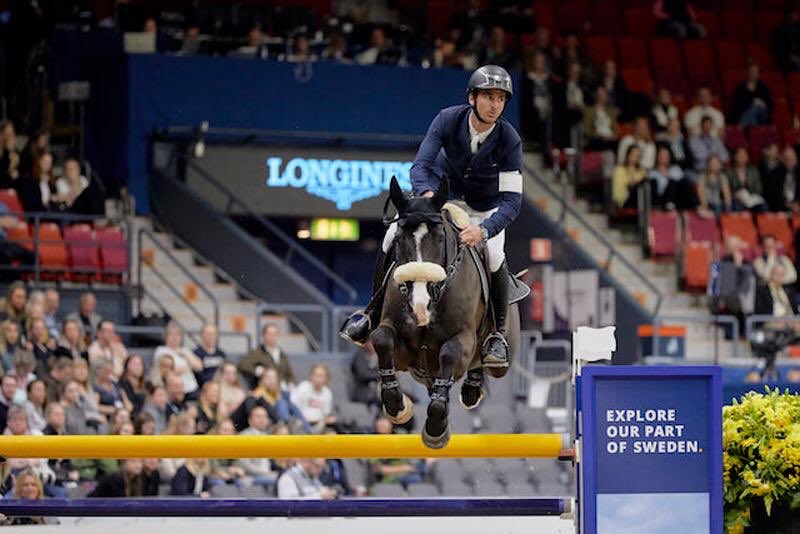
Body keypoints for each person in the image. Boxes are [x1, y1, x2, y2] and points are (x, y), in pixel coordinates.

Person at [340, 65, 523, 368]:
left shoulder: (509, 139)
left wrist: (485, 230)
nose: (494, 105)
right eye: (488, 96)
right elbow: (420, 167)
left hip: (485, 208)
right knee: (390, 236)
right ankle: (370, 314)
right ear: (472, 98)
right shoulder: (447, 120)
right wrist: (426, 195)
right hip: (441, 200)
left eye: (501, 99)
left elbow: (512, 203)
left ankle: (497, 336)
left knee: (493, 253)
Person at [238, 323, 296, 389]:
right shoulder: (258, 352)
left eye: (275, 334)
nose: (272, 337)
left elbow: (289, 373)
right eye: (270, 334)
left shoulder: (282, 354)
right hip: (266, 389)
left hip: (283, 388)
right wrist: (259, 370)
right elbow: (243, 365)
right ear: (264, 336)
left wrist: (291, 383)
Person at [153, 322, 202, 396]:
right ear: (166, 337)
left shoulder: (185, 350)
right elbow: (169, 370)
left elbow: (199, 367)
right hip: (175, 390)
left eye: (177, 335)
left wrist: (185, 354)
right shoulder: (161, 350)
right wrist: (190, 367)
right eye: (171, 335)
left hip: (192, 388)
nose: (174, 338)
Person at [234, 406, 278, 489]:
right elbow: (244, 464)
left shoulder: (267, 436)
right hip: (249, 477)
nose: (262, 420)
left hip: (266, 475)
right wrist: (265, 473)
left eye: (264, 417)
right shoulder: (244, 436)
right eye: (258, 417)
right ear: (250, 420)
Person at [253, 368, 307, 433]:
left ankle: (307, 428)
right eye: (268, 378)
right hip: (270, 422)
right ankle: (287, 424)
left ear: (277, 380)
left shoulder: (280, 393)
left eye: (273, 378)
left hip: (282, 420)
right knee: (282, 402)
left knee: (290, 404)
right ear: (262, 380)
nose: (271, 380)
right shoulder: (258, 393)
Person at [648, 146, 696, 210]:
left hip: (677, 199)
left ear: (669, 156)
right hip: (659, 198)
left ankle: (696, 206)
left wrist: (668, 176)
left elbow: (683, 186)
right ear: (657, 156)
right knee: (652, 182)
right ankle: (663, 205)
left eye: (666, 155)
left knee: (677, 182)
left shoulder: (675, 169)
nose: (663, 157)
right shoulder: (652, 172)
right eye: (661, 155)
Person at [291, 364, 336, 433]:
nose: (318, 379)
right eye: (316, 375)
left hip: (319, 425)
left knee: (331, 434)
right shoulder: (303, 387)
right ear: (311, 376)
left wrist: (328, 420)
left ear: (326, 379)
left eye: (321, 376)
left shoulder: (327, 393)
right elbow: (293, 407)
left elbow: (326, 414)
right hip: (302, 424)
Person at [89, 459, 159, 497]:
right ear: (123, 463)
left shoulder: (140, 479)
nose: (138, 465)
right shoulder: (115, 479)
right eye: (133, 461)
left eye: (140, 461)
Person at [582, 86, 619, 151]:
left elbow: (615, 129)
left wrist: (613, 136)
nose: (601, 96)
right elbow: (587, 131)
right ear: (596, 96)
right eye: (599, 94)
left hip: (610, 140)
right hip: (596, 139)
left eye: (603, 94)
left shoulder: (611, 111)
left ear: (607, 96)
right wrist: (600, 136)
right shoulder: (589, 110)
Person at [763, 146, 800, 212]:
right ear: (782, 159)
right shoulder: (774, 173)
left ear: (796, 159)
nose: (790, 160)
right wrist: (787, 205)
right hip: (781, 207)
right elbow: (771, 195)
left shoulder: (798, 173)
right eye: (787, 158)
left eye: (792, 158)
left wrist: (797, 205)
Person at [727, 147, 765, 211]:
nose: (742, 158)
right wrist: (735, 195)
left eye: (744, 156)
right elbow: (727, 189)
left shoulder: (753, 170)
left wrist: (751, 195)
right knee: (737, 206)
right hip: (737, 199)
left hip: (752, 198)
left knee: (763, 206)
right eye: (740, 156)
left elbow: (759, 188)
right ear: (735, 157)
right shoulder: (730, 172)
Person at [612, 145, 645, 209]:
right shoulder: (619, 170)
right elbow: (618, 192)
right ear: (627, 155)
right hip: (624, 202)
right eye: (632, 154)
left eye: (637, 156)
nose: (634, 157)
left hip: (640, 202)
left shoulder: (642, 171)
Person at [350, 342, 380, 407]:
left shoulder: (380, 356)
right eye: (371, 342)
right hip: (364, 392)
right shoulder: (359, 356)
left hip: (379, 391)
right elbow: (363, 374)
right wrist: (380, 375)